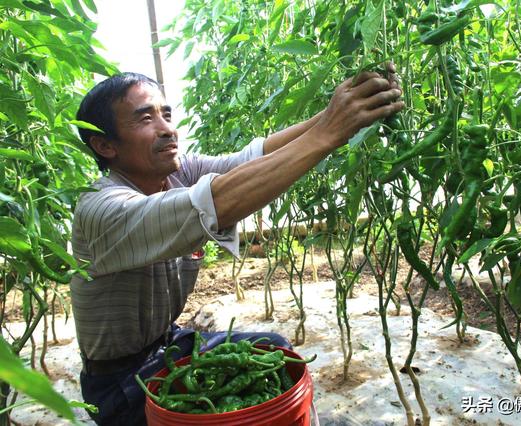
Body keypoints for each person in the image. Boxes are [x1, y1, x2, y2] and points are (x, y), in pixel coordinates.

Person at [71, 68, 403, 425]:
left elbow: (250, 161)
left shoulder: (174, 174)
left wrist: (340, 113)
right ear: (105, 145)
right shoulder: (102, 208)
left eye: (166, 114)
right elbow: (216, 200)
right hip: (121, 383)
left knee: (274, 352)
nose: (167, 128)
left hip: (168, 344)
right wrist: (330, 132)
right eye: (145, 119)